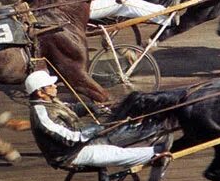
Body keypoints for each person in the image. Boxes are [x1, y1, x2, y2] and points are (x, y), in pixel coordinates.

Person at [25, 70, 171, 169]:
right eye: (50, 85)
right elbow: (70, 138)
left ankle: (156, 130)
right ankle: (156, 153)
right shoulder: (41, 113)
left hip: (79, 145)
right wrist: (97, 129)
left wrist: (92, 107)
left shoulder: (50, 102)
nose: (55, 86)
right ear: (40, 92)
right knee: (115, 153)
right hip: (69, 154)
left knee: (121, 130)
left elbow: (71, 108)